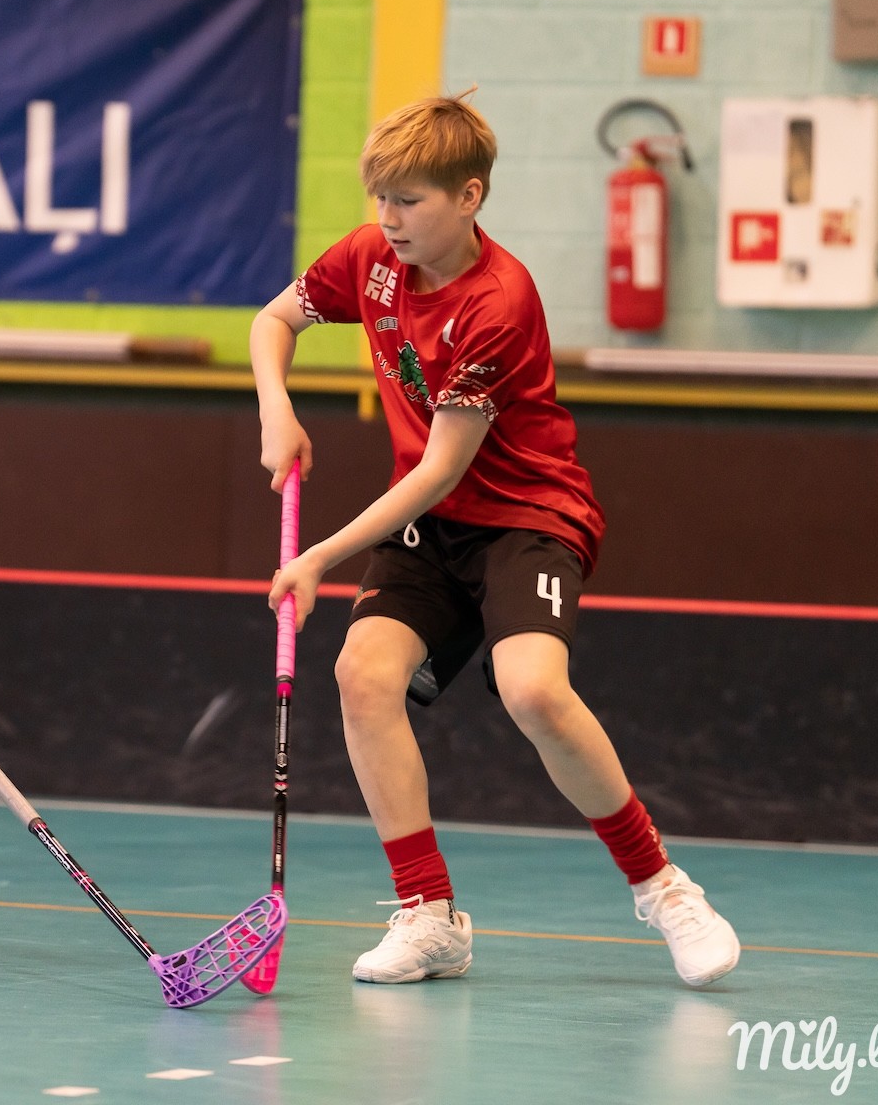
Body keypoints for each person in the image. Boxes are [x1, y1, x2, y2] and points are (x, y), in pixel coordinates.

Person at [250, 93, 739, 987]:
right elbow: (272, 320)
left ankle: (664, 888)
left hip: (525, 517)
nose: (389, 218)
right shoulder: (370, 260)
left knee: (535, 691)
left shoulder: (497, 301)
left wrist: (318, 556)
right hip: (428, 528)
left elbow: (442, 468)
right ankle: (428, 914)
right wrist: (276, 407)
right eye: (380, 198)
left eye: (410, 200)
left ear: (469, 195)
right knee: (363, 677)